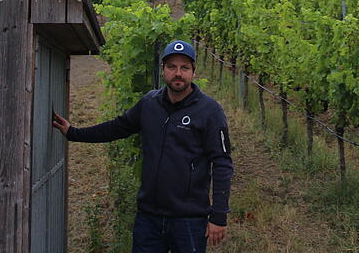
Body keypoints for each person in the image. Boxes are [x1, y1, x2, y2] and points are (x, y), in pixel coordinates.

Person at [53, 39, 233, 253]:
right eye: (172, 67)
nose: (178, 73)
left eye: (184, 67)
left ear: (193, 71)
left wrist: (219, 216)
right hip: (149, 218)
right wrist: (74, 133)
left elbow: (222, 163)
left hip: (189, 220)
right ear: (163, 70)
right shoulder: (149, 104)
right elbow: (116, 127)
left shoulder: (210, 111)